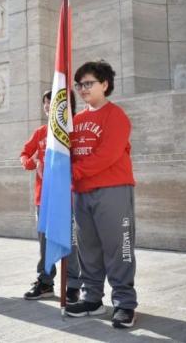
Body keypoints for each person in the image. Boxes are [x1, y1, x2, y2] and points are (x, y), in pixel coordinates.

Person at [64, 60, 137, 329]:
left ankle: (125, 303)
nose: (83, 89)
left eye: (88, 83)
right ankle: (92, 299)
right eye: (79, 84)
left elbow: (108, 154)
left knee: (119, 248)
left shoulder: (116, 116)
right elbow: (68, 155)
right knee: (88, 249)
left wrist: (75, 172)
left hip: (112, 190)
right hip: (81, 193)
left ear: (104, 84)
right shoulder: (77, 120)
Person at [20, 90, 81, 302]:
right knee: (45, 241)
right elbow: (24, 154)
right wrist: (33, 162)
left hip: (68, 197)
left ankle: (73, 284)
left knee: (71, 241)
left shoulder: (74, 131)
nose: (47, 107)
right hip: (43, 199)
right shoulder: (40, 132)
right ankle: (45, 282)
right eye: (45, 103)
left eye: (51, 103)